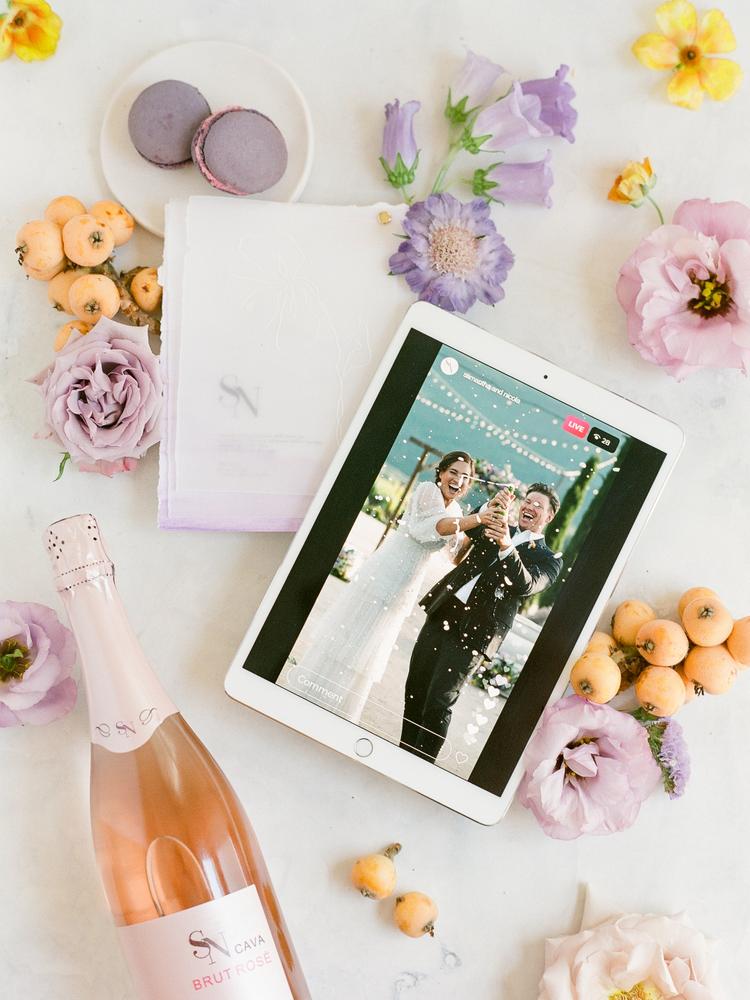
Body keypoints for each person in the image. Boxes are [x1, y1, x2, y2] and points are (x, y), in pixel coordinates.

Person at [297, 451, 497, 723]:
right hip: (385, 573)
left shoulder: (458, 512)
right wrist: (476, 520)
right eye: (454, 472)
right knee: (353, 634)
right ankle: (314, 696)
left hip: (405, 587)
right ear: (441, 472)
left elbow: (454, 554)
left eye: (465, 478)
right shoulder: (428, 491)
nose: (458, 480)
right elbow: (433, 527)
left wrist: (488, 523)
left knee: (370, 643)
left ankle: (337, 710)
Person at [399, 482, 563, 763]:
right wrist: (492, 506)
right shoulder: (498, 524)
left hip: (477, 632)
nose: (530, 507)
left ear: (548, 517)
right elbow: (471, 528)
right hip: (444, 611)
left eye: (539, 505)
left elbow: (526, 584)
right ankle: (403, 752)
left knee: (439, 700)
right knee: (416, 686)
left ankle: (419, 763)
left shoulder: (549, 559)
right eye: (528, 501)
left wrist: (505, 546)